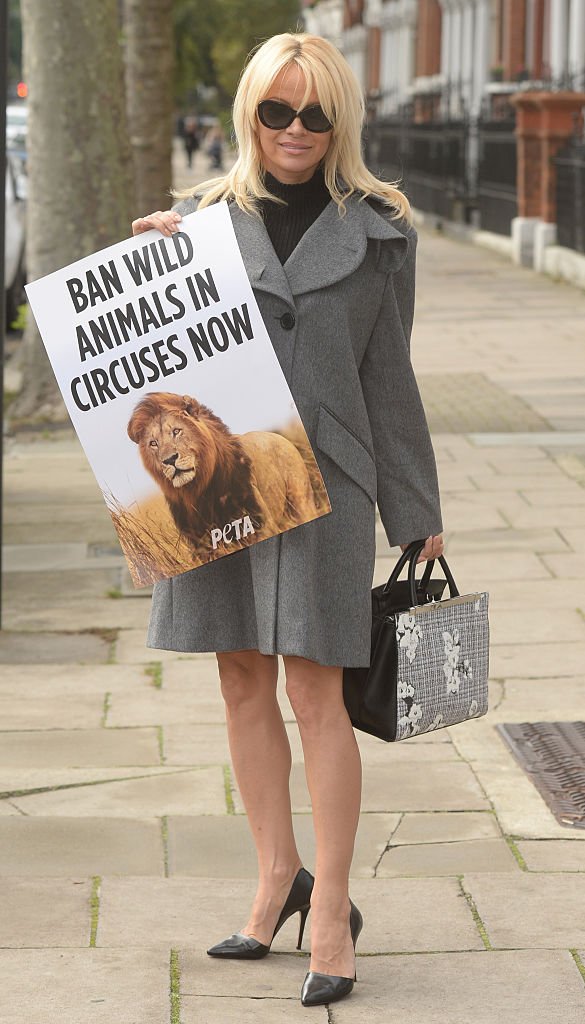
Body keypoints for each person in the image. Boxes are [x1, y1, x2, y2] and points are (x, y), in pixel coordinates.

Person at [131, 32, 444, 1008]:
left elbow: (389, 375)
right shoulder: (198, 224)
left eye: (316, 112)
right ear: (250, 114)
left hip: (332, 486)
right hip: (224, 482)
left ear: (340, 119)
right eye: (277, 110)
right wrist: (149, 272)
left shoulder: (384, 230)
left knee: (318, 694)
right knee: (237, 679)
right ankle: (276, 877)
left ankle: (336, 906)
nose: (296, 129)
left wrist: (417, 506)